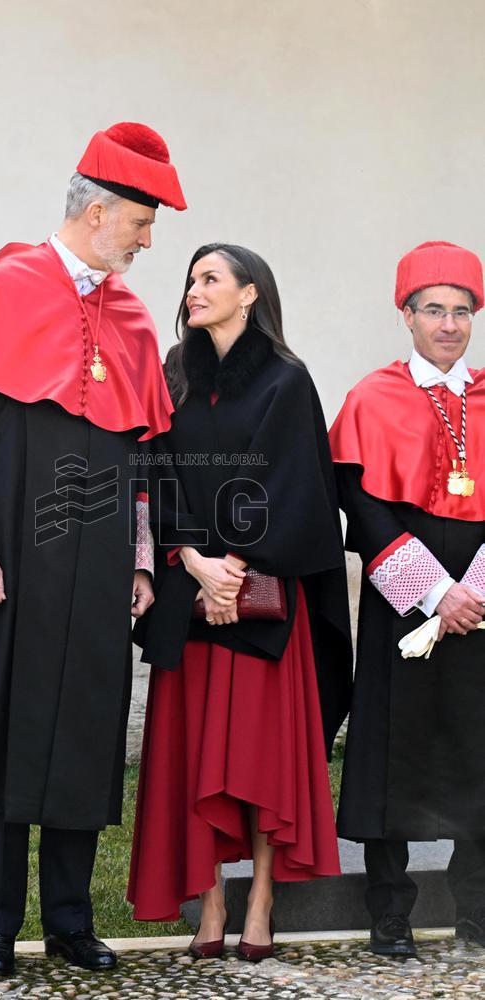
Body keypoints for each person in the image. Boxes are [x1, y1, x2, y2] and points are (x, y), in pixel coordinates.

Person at [0, 122, 186, 976]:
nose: (149, 241)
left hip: (98, 567)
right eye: (142, 223)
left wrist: (141, 562)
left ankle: (70, 920)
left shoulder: (134, 320)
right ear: (100, 210)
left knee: (83, 732)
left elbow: (141, 460)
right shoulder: (1, 285)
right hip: (9, 561)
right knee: (0, 733)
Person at [127, 243, 353, 961]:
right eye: (191, 279)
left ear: (249, 293)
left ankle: (259, 897)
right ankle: (212, 903)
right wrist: (194, 561)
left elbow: (292, 483)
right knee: (195, 756)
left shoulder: (287, 380)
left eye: (210, 279)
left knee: (258, 760)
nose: (194, 290)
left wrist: (236, 567)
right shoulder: (173, 375)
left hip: (262, 601)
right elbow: (155, 470)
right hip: (190, 594)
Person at [330, 241, 485, 957]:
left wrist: (473, 593)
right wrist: (433, 594)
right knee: (394, 754)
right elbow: (363, 510)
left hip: (482, 606)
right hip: (404, 604)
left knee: (478, 753)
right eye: (434, 310)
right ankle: (389, 913)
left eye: (462, 312)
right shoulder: (373, 397)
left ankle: (477, 913)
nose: (449, 325)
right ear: (407, 315)